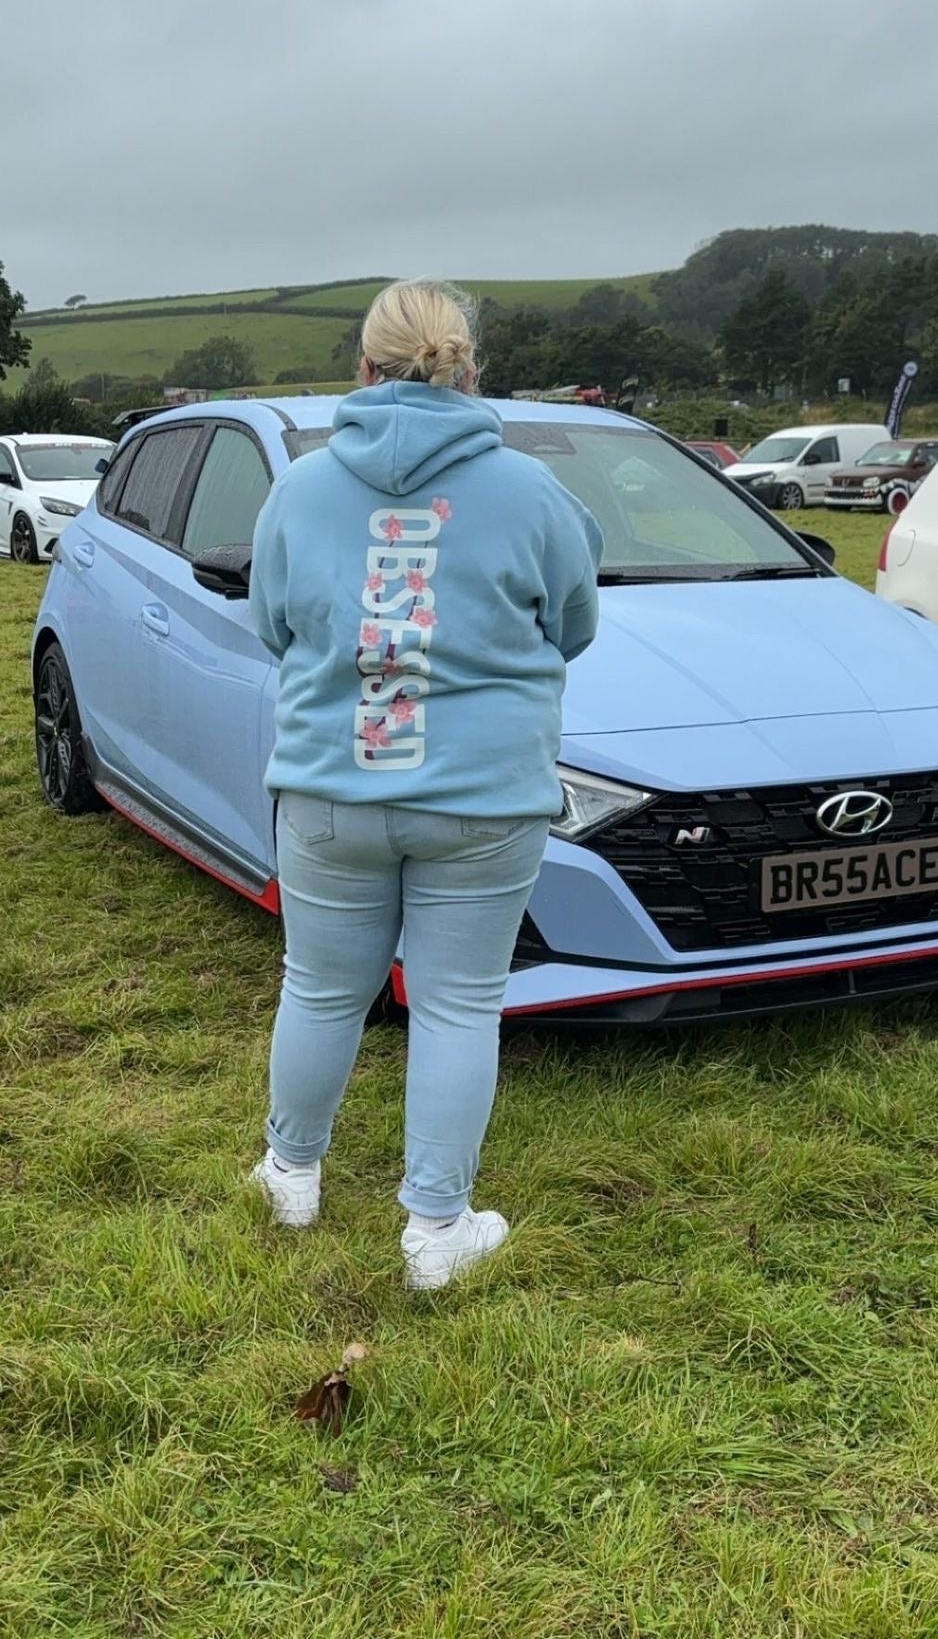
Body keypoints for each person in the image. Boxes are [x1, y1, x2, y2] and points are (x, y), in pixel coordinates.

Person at [247, 281, 602, 1288]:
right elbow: (573, 620)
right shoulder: (531, 492)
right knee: (456, 1005)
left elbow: (272, 622)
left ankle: (290, 1172)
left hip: (331, 784)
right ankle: (435, 1230)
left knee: (320, 986)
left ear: (363, 371)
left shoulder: (300, 490)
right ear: (468, 370)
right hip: (482, 796)